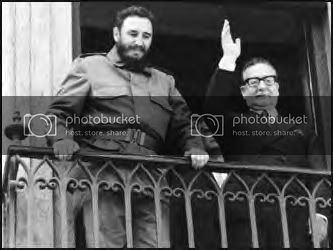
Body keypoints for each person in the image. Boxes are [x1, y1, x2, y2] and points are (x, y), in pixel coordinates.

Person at [46, 6, 209, 247]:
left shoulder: (165, 81)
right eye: (133, 34)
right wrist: (61, 139)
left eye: (146, 36)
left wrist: (195, 145)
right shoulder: (89, 67)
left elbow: (186, 123)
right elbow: (59, 113)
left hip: (151, 178)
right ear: (116, 34)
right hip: (103, 175)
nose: (139, 42)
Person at [204, 19, 329, 248]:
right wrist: (228, 59)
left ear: (278, 88)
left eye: (268, 80)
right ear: (243, 92)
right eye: (253, 82)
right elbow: (213, 109)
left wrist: (320, 213)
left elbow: (320, 174)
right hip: (246, 218)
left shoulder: (302, 128)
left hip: (294, 218)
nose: (262, 86)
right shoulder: (234, 124)